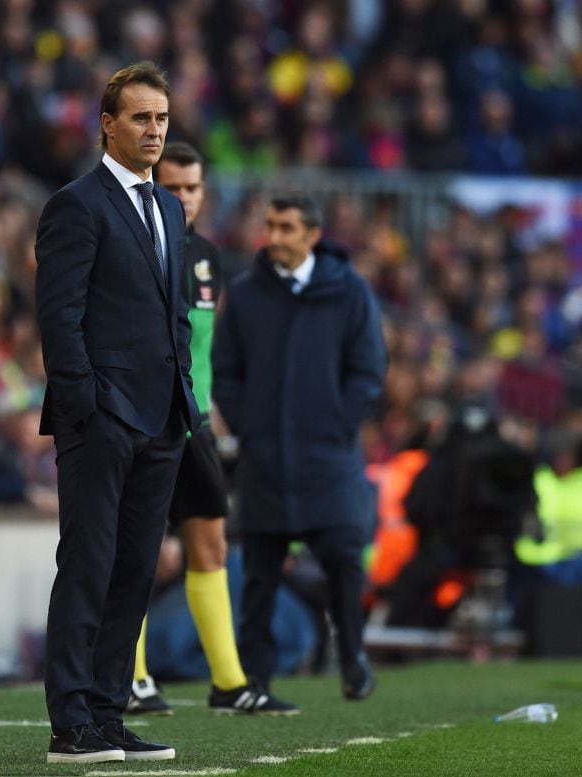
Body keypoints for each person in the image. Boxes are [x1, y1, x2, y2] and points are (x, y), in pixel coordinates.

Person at [34, 61, 199, 765]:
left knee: (134, 568)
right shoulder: (77, 203)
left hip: (161, 417)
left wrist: (182, 392)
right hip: (102, 417)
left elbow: (174, 314)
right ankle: (70, 720)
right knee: (89, 564)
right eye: (141, 117)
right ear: (108, 124)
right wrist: (86, 405)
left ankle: (107, 711)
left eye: (161, 118)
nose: (155, 130)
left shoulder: (167, 207)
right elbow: (58, 314)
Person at [126, 142, 296, 716]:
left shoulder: (207, 258)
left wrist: (215, 412)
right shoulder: (133, 247)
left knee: (211, 545)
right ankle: (132, 677)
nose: (183, 197)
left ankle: (228, 682)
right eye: (172, 187)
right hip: (142, 418)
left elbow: (201, 349)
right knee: (138, 549)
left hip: (192, 419)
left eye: (192, 188)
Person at [212, 193, 387, 705]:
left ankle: (353, 659)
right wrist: (250, 426)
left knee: (344, 565)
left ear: (312, 235)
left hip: (327, 460)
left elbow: (369, 370)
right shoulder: (245, 295)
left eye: (287, 228)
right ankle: (256, 679)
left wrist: (338, 424)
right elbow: (225, 371)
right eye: (270, 226)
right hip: (266, 459)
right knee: (259, 576)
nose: (275, 237)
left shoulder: (350, 292)